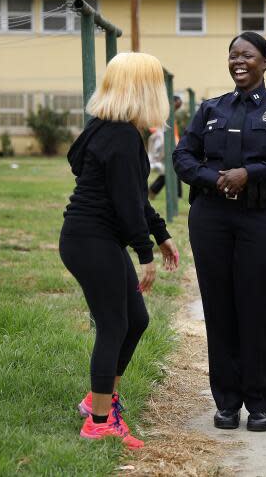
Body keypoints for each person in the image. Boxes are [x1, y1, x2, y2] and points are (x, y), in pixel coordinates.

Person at [173, 31, 266, 432]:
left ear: (264, 61)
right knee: (220, 311)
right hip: (212, 219)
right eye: (233, 55)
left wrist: (249, 174)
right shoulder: (210, 109)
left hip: (262, 221)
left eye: (247, 55)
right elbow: (182, 156)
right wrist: (215, 179)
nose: (239, 61)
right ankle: (227, 403)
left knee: (258, 309)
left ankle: (260, 403)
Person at [59, 52, 180, 447]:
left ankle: (101, 399)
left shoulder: (107, 128)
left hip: (91, 239)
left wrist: (160, 235)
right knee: (114, 324)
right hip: (91, 240)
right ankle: (98, 421)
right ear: (144, 89)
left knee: (136, 319)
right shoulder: (122, 137)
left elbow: (133, 197)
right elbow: (128, 205)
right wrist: (145, 255)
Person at [148, 96, 183, 199]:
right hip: (164, 146)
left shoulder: (170, 115)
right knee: (171, 169)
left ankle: (154, 190)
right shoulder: (163, 114)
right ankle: (155, 190)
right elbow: (154, 128)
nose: (178, 107)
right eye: (177, 104)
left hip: (172, 145)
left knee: (171, 170)